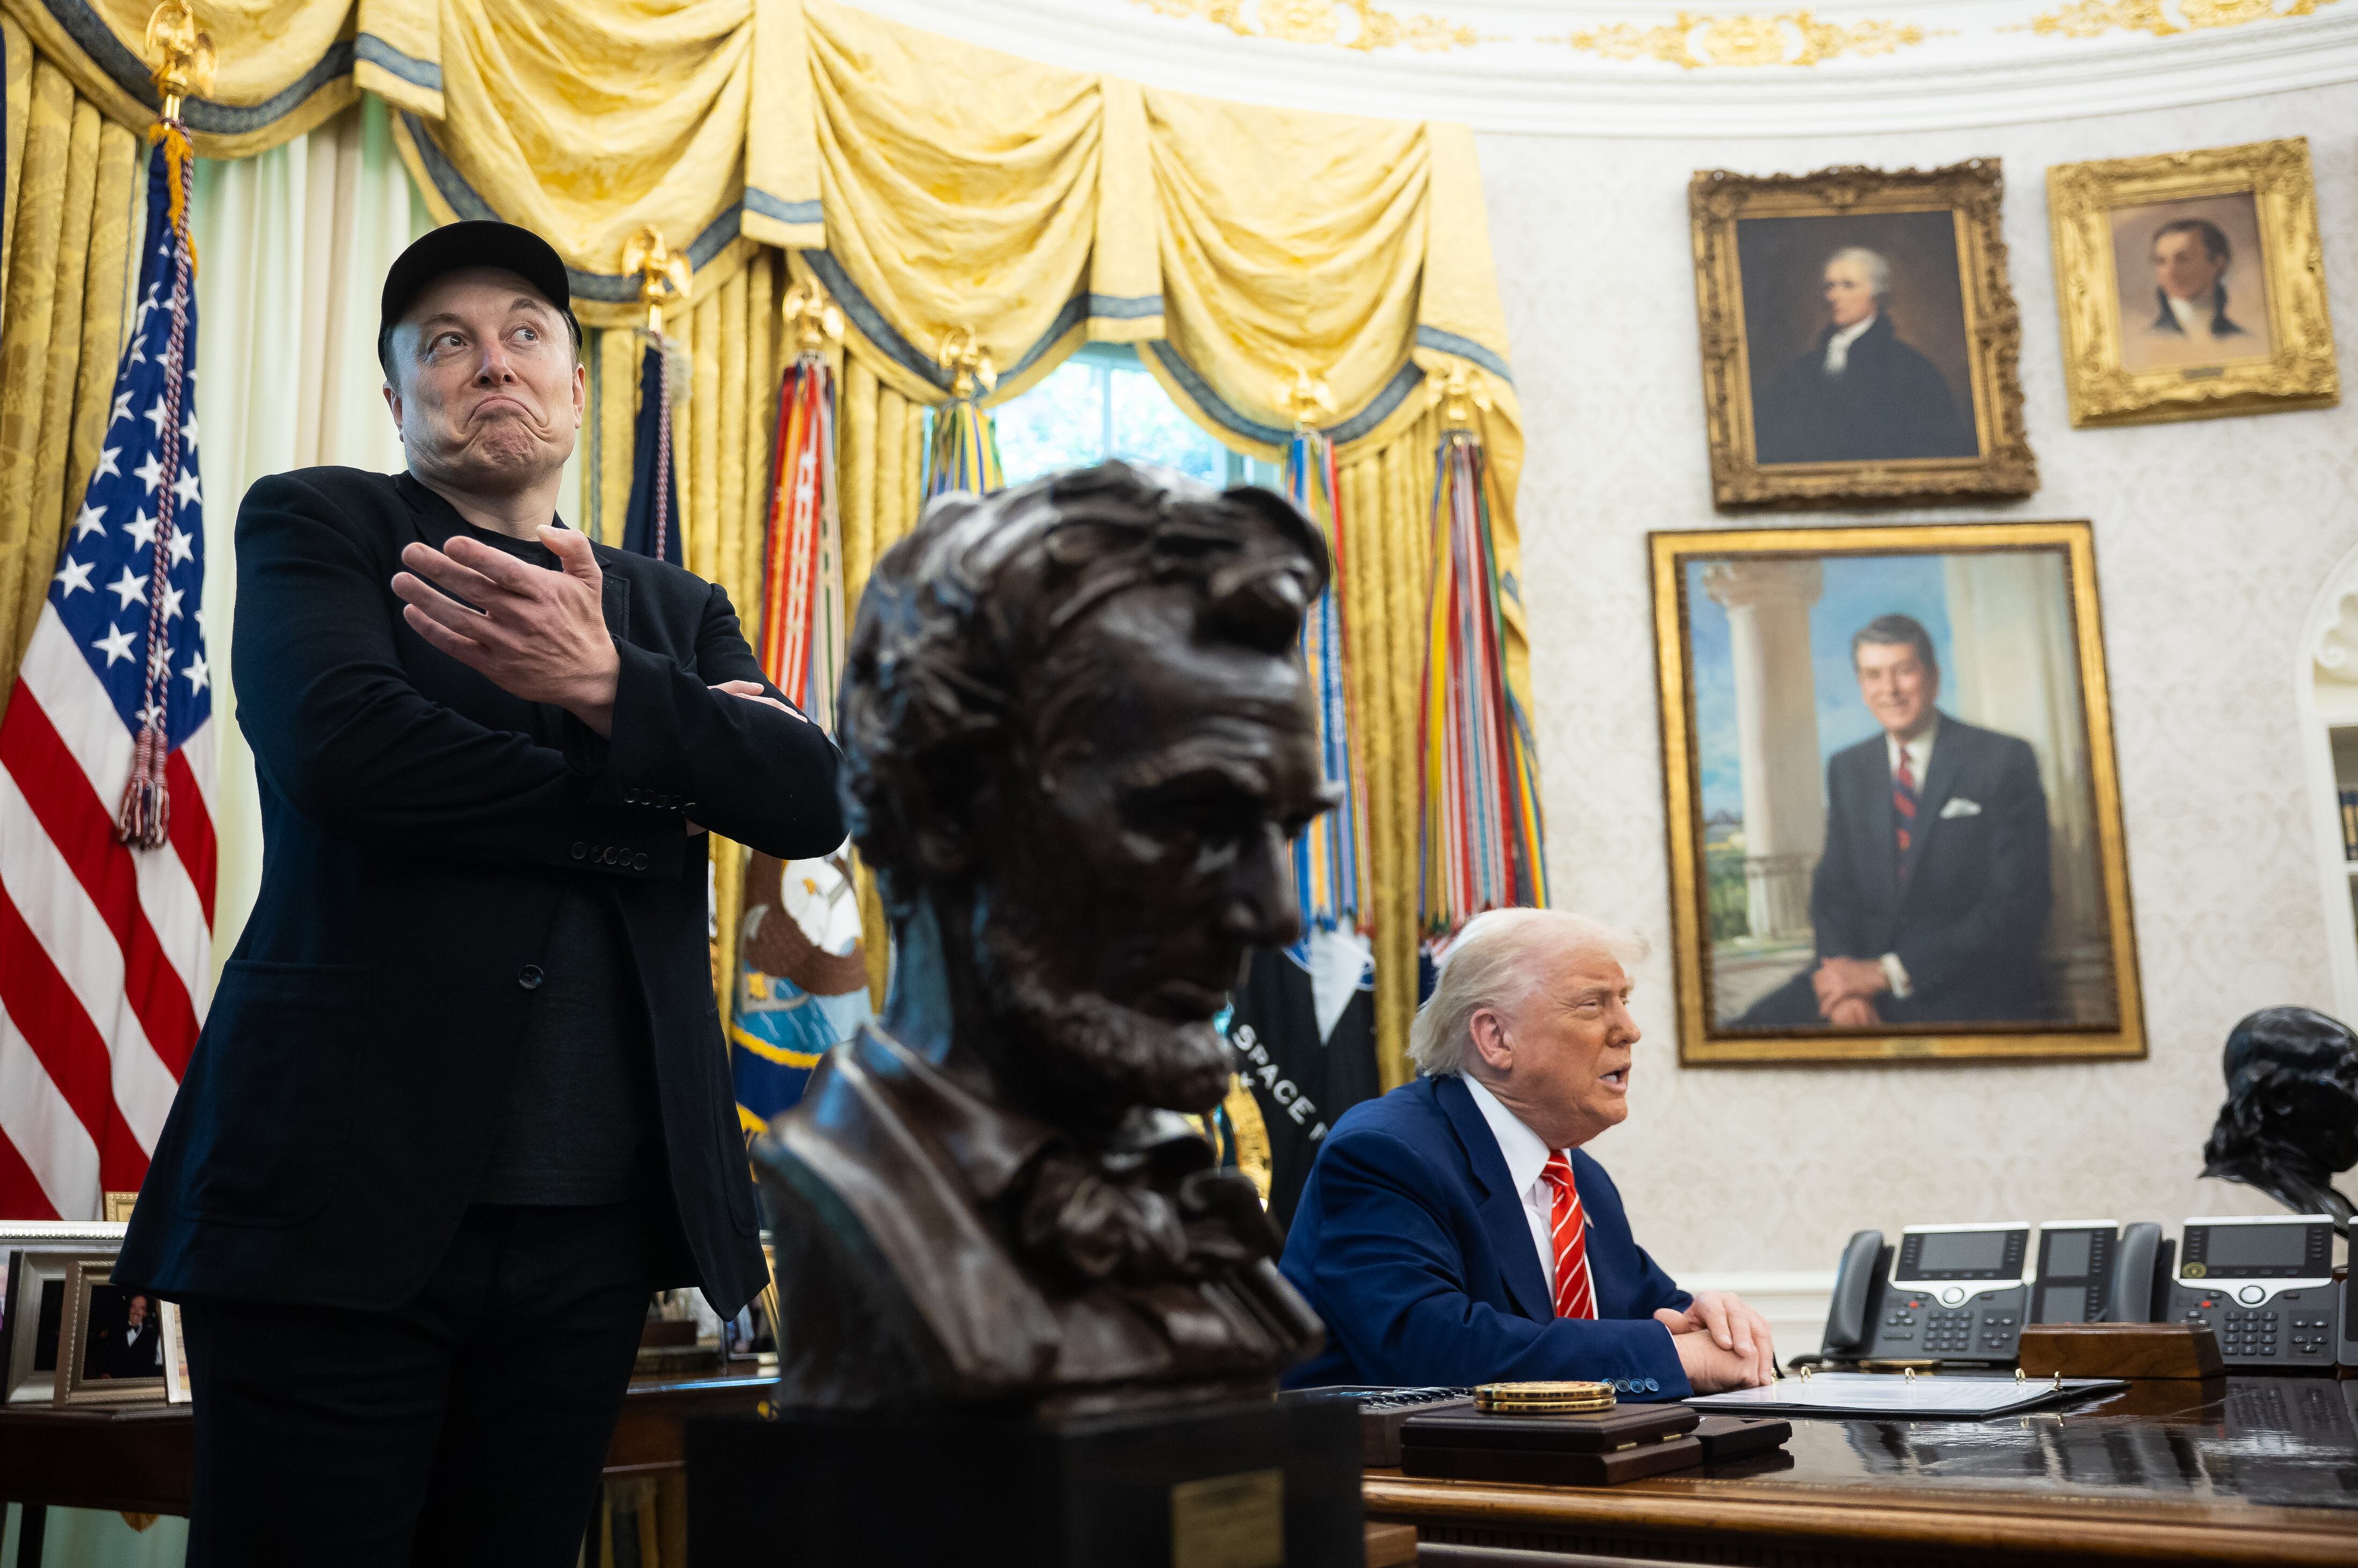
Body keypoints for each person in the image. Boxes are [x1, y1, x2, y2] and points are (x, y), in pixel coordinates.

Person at [118, 221, 845, 1566]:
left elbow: (809, 795)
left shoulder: (672, 607)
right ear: (398, 399)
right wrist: (653, 793)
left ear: (574, 389)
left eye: (524, 334)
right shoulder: (321, 522)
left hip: (597, 1230)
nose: (489, 362)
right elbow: (348, 750)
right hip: (333, 1202)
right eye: (444, 342)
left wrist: (606, 682)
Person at [753, 462, 1329, 1411]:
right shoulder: (861, 1197)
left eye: (1284, 831)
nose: (1271, 914)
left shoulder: (1192, 1201)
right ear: (947, 812)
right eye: (1191, 822)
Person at [1279, 908, 1777, 1397]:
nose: (1630, 1029)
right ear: (1496, 1037)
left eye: (1623, 999)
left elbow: (1659, 1315)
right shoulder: (1385, 1154)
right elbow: (1429, 1352)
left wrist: (1722, 1329)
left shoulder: (1580, 1178)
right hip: (1384, 1475)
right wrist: (1673, 1356)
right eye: (1592, 1004)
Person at [1737, 614, 2051, 1028]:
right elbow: (1833, 891)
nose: (1890, 690)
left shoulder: (2001, 760)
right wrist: (1844, 984)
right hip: (1857, 976)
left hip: (1963, 983)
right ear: (1862, 688)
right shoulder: (1849, 767)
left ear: (1933, 678)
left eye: (1904, 671)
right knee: (1743, 1034)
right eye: (1873, 675)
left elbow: (2018, 905)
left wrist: (1888, 973)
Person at [1752, 246, 1975, 466]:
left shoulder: (1911, 370)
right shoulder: (1802, 371)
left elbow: (1938, 449)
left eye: (1848, 286)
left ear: (1877, 295)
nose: (1833, 296)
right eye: (1830, 286)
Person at [2144, 218, 2250, 345]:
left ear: (2218, 264)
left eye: (2183, 259)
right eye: (2161, 261)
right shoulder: (2148, 339)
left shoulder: (2242, 340)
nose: (2170, 272)